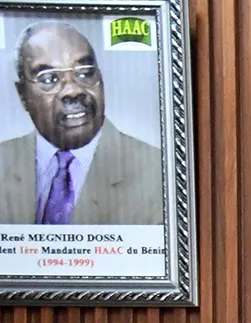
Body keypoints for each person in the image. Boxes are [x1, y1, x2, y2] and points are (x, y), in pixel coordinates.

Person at [0, 22, 164, 225]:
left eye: (84, 73)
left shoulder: (157, 172)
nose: (73, 90)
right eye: (49, 78)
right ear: (23, 95)